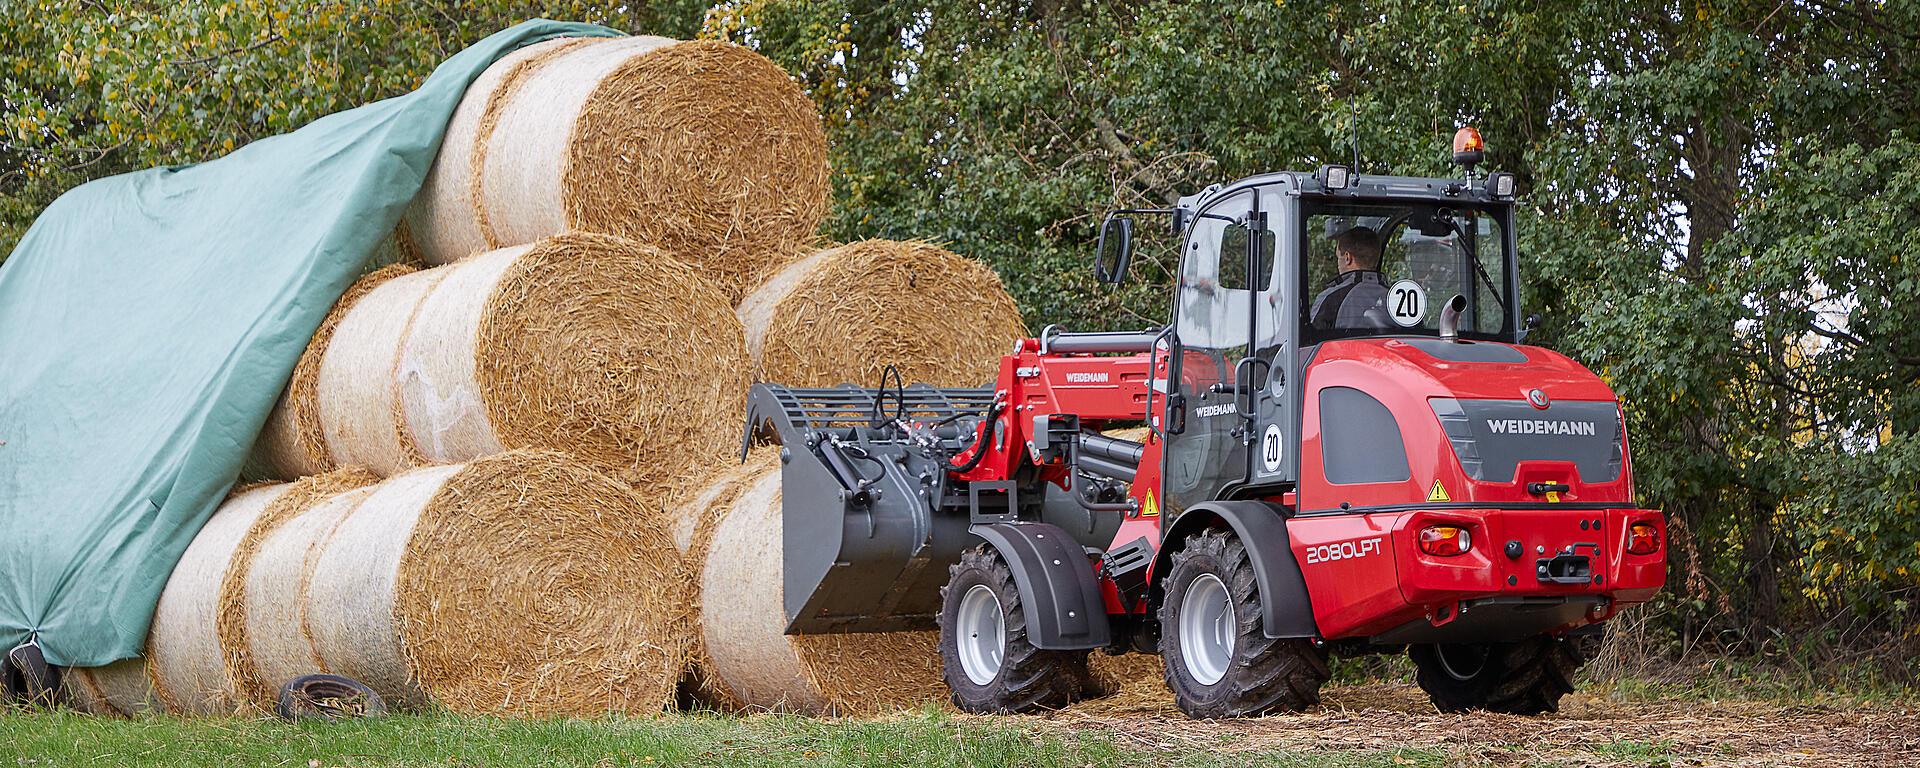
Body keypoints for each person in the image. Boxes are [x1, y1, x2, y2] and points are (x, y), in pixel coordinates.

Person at [1310, 226, 1391, 330]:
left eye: (1338, 257)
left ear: (1347, 258)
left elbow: (1312, 340)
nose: (1337, 264)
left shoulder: (1331, 299)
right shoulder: (1395, 298)